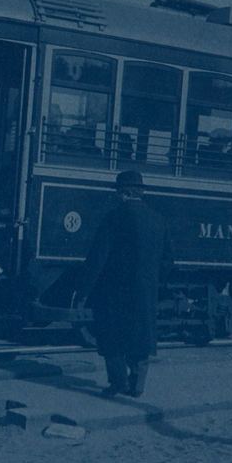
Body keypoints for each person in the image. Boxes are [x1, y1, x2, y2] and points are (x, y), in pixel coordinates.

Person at [76, 170, 174, 397]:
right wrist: (153, 281)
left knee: (112, 338)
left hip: (114, 292)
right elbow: (169, 259)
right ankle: (137, 384)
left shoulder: (113, 218)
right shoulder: (158, 219)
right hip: (144, 293)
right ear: (140, 192)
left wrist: (83, 290)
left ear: (122, 193)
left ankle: (118, 382)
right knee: (140, 338)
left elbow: (96, 259)